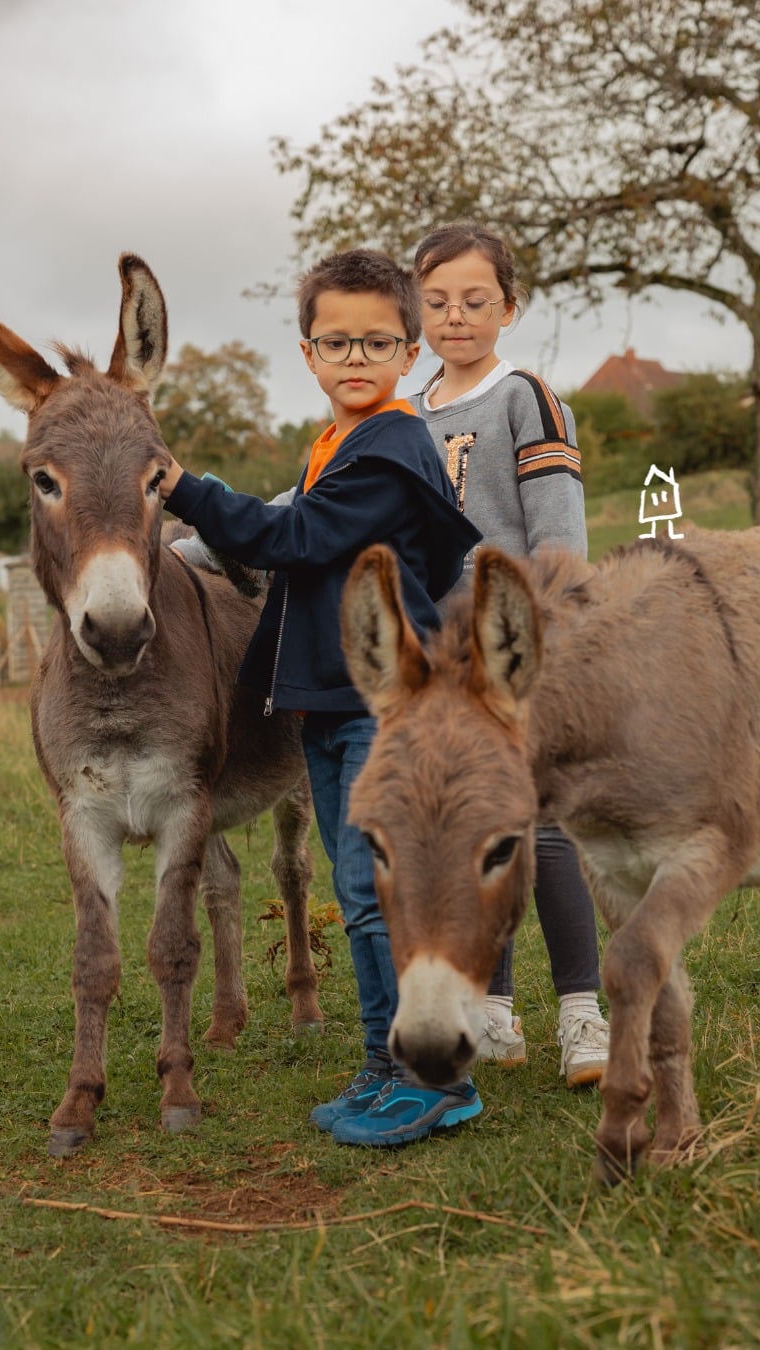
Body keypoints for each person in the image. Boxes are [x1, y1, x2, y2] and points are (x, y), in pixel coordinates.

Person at [159, 248, 484, 1146]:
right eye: (333, 342)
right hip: (336, 704)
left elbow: (292, 536)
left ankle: (438, 1079)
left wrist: (186, 490)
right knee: (359, 887)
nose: (353, 358)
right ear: (307, 353)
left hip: (386, 705)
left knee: (390, 891)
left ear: (410, 353)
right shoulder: (337, 445)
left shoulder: (392, 444)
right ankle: (387, 1066)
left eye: (375, 342)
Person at [410, 218, 611, 1088]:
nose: (455, 316)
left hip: (512, 654)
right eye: (437, 300)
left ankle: (583, 1013)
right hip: (433, 665)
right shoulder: (403, 413)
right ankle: (496, 1010)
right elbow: (315, 500)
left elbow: (558, 542)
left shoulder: (524, 397)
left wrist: (543, 640)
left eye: (475, 300)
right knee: (469, 837)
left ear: (509, 307)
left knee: (546, 829)